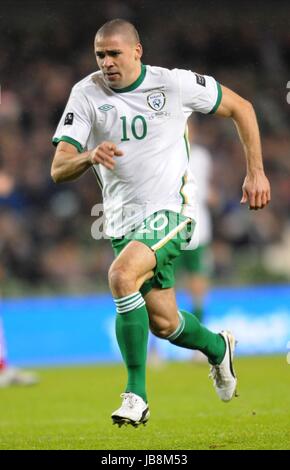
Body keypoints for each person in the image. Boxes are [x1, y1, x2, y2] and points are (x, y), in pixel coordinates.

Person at [51, 19, 271, 427]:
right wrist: (88, 155)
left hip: (173, 213)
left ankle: (135, 394)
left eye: (114, 53)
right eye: (100, 54)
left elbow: (243, 107)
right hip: (121, 223)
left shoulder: (174, 85)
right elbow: (59, 167)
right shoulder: (85, 93)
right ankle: (217, 347)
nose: (106, 62)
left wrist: (255, 172)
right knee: (166, 324)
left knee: (120, 277)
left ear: (138, 51)